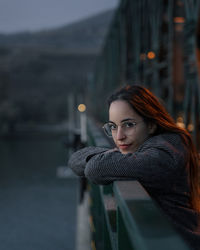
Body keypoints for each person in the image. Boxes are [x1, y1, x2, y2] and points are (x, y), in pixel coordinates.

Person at [68, 85, 200, 249]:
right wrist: (109, 155)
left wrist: (106, 156)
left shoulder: (164, 154)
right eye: (113, 127)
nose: (119, 136)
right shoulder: (141, 148)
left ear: (151, 125)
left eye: (128, 125)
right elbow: (74, 160)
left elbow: (95, 169)